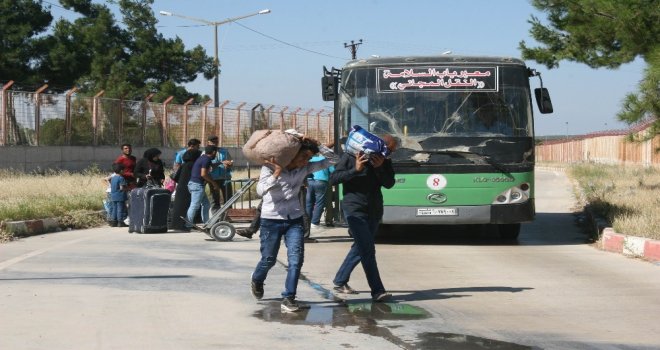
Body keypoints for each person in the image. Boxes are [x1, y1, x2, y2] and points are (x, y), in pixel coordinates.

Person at [250, 136, 338, 313]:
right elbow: (260, 191)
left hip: (294, 220)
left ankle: (289, 297)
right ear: (292, 155)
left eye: (308, 158)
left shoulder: (305, 168)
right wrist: (276, 173)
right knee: (269, 259)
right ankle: (257, 279)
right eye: (303, 157)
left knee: (296, 260)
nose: (306, 161)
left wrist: (317, 144)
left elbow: (335, 159)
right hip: (271, 221)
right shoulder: (268, 168)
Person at [329, 134, 397, 302]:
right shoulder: (351, 156)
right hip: (354, 209)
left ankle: (340, 280)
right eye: (389, 149)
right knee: (367, 249)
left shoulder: (384, 160)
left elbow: (389, 183)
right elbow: (333, 179)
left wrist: (380, 167)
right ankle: (377, 291)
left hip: (374, 210)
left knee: (361, 246)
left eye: (391, 151)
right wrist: (355, 170)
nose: (389, 153)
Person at [186, 145, 220, 229]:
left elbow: (210, 167)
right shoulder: (206, 159)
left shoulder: (203, 158)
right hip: (197, 185)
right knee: (194, 205)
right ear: (214, 152)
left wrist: (221, 163)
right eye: (216, 153)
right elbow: (204, 174)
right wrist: (214, 183)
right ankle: (188, 225)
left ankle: (206, 223)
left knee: (206, 204)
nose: (216, 154)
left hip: (194, 184)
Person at [170, 147, 202, 231]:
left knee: (179, 207)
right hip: (188, 187)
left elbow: (176, 177)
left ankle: (177, 225)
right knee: (189, 206)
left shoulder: (184, 164)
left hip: (181, 187)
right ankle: (187, 224)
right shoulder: (194, 165)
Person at [305, 155, 334, 230]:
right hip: (321, 181)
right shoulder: (327, 159)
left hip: (309, 181)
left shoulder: (311, 158)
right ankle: (314, 222)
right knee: (319, 202)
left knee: (308, 202)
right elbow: (333, 171)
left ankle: (307, 222)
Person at [206, 135, 233, 211]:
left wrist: (229, 164)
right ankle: (216, 218)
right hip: (213, 179)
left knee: (228, 198)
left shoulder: (224, 151)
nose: (215, 143)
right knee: (215, 199)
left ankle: (228, 215)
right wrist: (220, 163)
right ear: (208, 142)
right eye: (213, 142)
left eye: (216, 142)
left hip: (225, 178)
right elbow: (206, 166)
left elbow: (231, 161)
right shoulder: (206, 153)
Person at [108, 163, 129, 227]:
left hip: (113, 196)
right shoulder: (121, 178)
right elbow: (121, 188)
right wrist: (127, 188)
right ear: (121, 171)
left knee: (115, 208)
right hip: (120, 196)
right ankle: (121, 221)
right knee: (121, 208)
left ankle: (114, 221)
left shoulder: (113, 178)